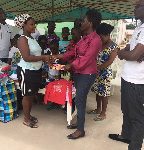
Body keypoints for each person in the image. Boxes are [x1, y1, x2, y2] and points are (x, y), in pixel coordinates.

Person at [52, 9, 102, 139]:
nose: (81, 23)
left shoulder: (95, 40)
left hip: (88, 74)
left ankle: (80, 130)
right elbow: (73, 53)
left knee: (80, 99)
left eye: (84, 20)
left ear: (90, 23)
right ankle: (79, 122)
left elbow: (86, 59)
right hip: (79, 72)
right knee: (79, 99)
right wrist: (58, 55)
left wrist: (70, 65)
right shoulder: (84, 38)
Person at [109, 0, 144, 149]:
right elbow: (127, 51)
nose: (135, 9)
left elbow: (131, 54)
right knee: (126, 111)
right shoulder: (139, 28)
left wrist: (129, 54)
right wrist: (128, 53)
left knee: (137, 117)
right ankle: (125, 135)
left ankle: (134, 146)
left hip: (136, 80)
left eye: (138, 6)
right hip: (127, 76)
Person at [14, 14, 50, 128]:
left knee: (31, 95)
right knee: (27, 95)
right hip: (27, 71)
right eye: (32, 24)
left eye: (34, 24)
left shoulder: (32, 38)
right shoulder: (22, 39)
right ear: (24, 26)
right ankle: (26, 119)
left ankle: (28, 116)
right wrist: (43, 58)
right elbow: (26, 57)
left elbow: (37, 54)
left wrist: (46, 59)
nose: (34, 26)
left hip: (35, 71)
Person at [89, 23, 119, 121]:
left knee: (105, 93)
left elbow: (110, 61)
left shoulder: (115, 47)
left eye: (101, 38)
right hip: (96, 72)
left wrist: (97, 68)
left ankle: (103, 112)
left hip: (105, 73)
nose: (100, 40)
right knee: (98, 91)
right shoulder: (100, 44)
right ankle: (98, 109)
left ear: (107, 35)